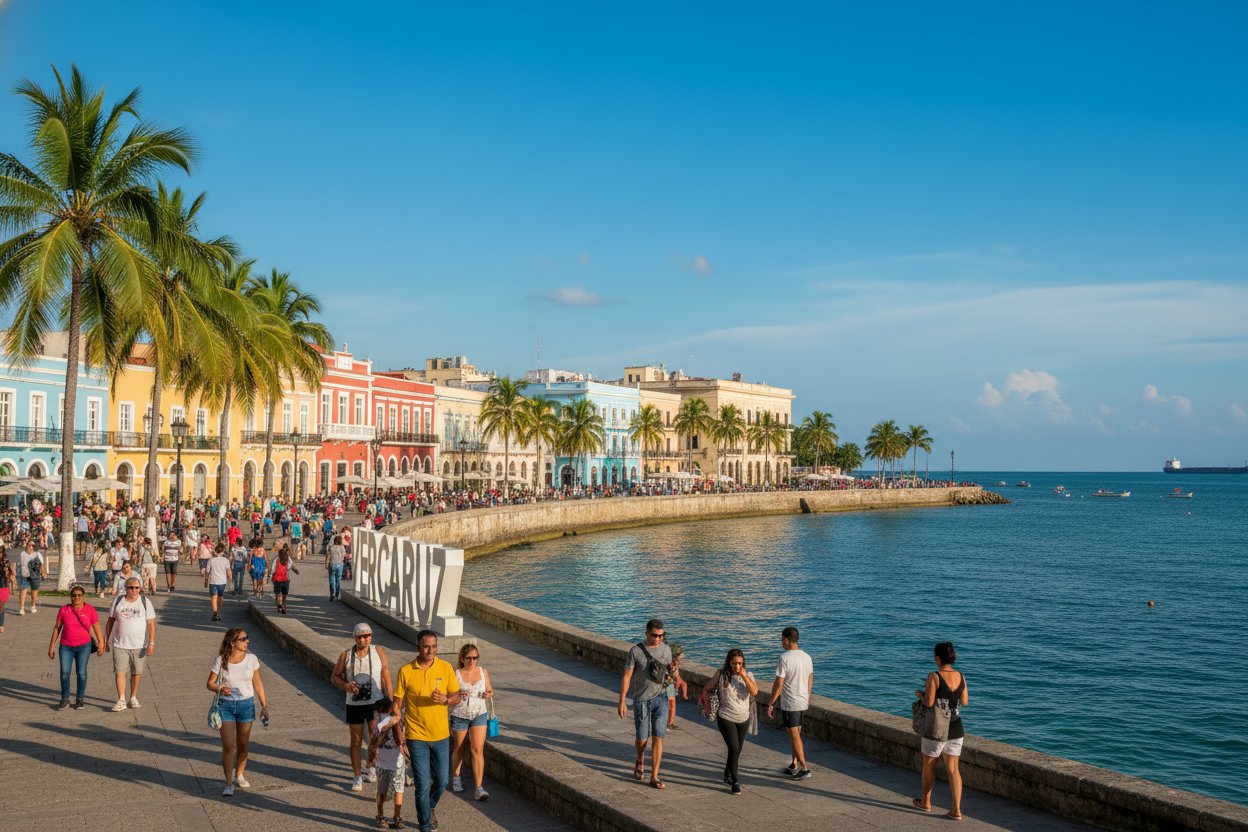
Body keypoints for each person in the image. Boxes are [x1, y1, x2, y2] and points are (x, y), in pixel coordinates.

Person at [391, 629, 460, 832]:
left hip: (441, 736)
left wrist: (446, 699)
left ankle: (429, 807)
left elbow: (456, 695)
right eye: (426, 646)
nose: (431, 650)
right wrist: (400, 738)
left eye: (434, 646)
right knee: (422, 784)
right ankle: (426, 826)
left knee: (442, 781)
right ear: (418, 647)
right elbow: (396, 708)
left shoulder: (445, 668)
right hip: (416, 736)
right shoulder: (405, 671)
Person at [207, 628, 270, 796]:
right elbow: (210, 683)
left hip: (246, 705)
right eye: (243, 639)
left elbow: (258, 684)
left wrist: (264, 706)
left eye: (247, 638)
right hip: (225, 706)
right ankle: (228, 784)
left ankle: (239, 774)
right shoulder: (221, 660)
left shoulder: (252, 659)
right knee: (228, 746)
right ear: (233, 643)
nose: (247, 641)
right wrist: (220, 688)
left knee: (243, 746)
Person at [911, 641, 969, 821]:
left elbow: (928, 703)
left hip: (936, 728)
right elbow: (965, 702)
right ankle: (956, 810)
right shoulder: (961, 676)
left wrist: (920, 695)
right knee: (953, 769)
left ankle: (926, 802)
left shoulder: (934, 676)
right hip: (956, 727)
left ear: (937, 658)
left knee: (929, 764)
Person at [332, 622, 393, 791]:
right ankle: (357, 776)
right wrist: (345, 686)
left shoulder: (378, 651)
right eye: (361, 636)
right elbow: (335, 677)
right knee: (356, 740)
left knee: (375, 738)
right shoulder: (346, 655)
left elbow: (385, 674)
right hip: (355, 703)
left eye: (368, 636)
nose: (365, 639)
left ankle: (371, 766)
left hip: (375, 701)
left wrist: (392, 698)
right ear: (355, 638)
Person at [617, 618, 672, 789]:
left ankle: (654, 777)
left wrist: (671, 698)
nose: (658, 639)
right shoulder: (636, 651)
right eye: (654, 635)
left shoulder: (667, 649)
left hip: (661, 698)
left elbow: (669, 675)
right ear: (647, 633)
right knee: (642, 739)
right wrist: (622, 701)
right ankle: (640, 757)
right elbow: (627, 676)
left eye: (661, 636)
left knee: (658, 737)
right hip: (642, 700)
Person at [701, 649, 758, 794]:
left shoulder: (748, 675)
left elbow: (754, 692)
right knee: (734, 748)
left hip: (743, 718)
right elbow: (707, 687)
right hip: (725, 717)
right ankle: (735, 781)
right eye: (734, 663)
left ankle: (727, 773)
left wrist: (744, 676)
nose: (737, 667)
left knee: (737, 750)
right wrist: (706, 697)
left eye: (740, 663)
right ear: (729, 663)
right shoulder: (721, 674)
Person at [766, 626, 814, 780]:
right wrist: (807, 695)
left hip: (790, 702)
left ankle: (804, 768)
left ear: (786, 640)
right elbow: (810, 677)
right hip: (802, 700)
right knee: (796, 734)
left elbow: (779, 683)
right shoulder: (807, 657)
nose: (781, 642)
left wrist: (771, 702)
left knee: (794, 735)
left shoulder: (784, 658)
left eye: (782, 639)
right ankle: (794, 764)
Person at [449, 643, 494, 801]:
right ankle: (456, 777)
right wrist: (459, 693)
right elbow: (450, 696)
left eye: (475, 658)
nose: (472, 661)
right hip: (460, 714)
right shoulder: (456, 674)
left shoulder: (483, 672)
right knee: (459, 749)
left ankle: (478, 788)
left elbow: (490, 689)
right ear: (462, 659)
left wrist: (487, 694)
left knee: (477, 750)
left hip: (479, 714)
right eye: (469, 658)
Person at [105, 577, 157, 711]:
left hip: (139, 645)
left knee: (137, 672)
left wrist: (151, 643)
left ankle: (133, 697)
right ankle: (121, 699)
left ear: (140, 588)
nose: (134, 590)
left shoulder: (145, 602)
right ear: (125, 588)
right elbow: (110, 621)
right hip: (120, 644)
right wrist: (106, 641)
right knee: (119, 672)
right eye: (131, 587)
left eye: (136, 587)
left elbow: (151, 624)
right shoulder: (118, 601)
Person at [49, 585, 104, 709]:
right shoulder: (64, 610)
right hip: (65, 646)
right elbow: (57, 628)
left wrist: (101, 644)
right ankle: (64, 698)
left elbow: (97, 627)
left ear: (83, 597)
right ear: (71, 597)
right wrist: (52, 646)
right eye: (74, 595)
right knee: (64, 672)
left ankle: (79, 698)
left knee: (81, 673)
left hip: (84, 646)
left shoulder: (90, 610)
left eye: (79, 595)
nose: (76, 597)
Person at [370, 711, 410, 829]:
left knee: (399, 789)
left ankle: (397, 816)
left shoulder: (405, 719)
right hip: (383, 762)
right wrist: (389, 724)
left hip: (397, 762)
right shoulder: (382, 718)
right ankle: (380, 815)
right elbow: (375, 735)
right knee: (382, 790)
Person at [269, 542, 299, 614]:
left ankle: (278, 606)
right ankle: (284, 605)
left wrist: (270, 576)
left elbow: (273, 570)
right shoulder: (288, 559)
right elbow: (291, 567)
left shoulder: (276, 559)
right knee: (284, 595)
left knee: (277, 594)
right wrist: (296, 571)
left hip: (277, 579)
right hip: (286, 579)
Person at [665, 643, 688, 730]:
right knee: (670, 704)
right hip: (668, 686)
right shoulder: (671, 665)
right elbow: (674, 676)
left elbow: (677, 676)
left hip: (668, 685)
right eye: (679, 657)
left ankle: (668, 723)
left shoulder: (671, 664)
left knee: (669, 704)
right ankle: (668, 723)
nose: (680, 659)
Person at [17, 539, 45, 614]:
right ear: (26, 546)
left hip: (35, 575)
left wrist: (43, 573)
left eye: (33, 545)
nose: (31, 547)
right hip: (24, 575)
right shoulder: (22, 554)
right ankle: (21, 608)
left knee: (34, 592)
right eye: (29, 545)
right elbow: (16, 564)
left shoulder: (38, 554)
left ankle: (33, 605)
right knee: (23, 590)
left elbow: (42, 564)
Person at [205, 545, 232, 621]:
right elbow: (229, 572)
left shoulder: (211, 560)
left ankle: (215, 613)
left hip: (213, 582)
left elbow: (207, 572)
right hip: (222, 582)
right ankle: (218, 613)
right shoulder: (226, 560)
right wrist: (230, 579)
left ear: (216, 551)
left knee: (213, 598)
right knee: (220, 597)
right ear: (223, 552)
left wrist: (206, 581)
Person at [325, 534, 346, 600]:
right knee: (338, 580)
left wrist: (326, 564)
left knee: (331, 580)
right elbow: (344, 556)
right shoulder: (342, 548)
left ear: (334, 541)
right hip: (340, 565)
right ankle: (337, 595)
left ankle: (332, 594)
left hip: (332, 565)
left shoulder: (331, 548)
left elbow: (328, 557)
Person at [0, 551, 13, 633]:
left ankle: (1, 625)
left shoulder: (5, 562)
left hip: (2, 586)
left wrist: (8, 574)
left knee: (1, 607)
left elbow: (10, 574)